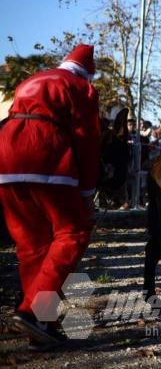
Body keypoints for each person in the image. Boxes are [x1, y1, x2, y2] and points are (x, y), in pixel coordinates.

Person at [0, 44, 100, 346]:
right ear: (88, 73)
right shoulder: (81, 87)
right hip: (46, 157)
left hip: (6, 158)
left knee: (32, 245)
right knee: (74, 233)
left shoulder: (32, 80)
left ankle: (41, 326)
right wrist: (87, 190)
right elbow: (88, 139)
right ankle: (32, 312)